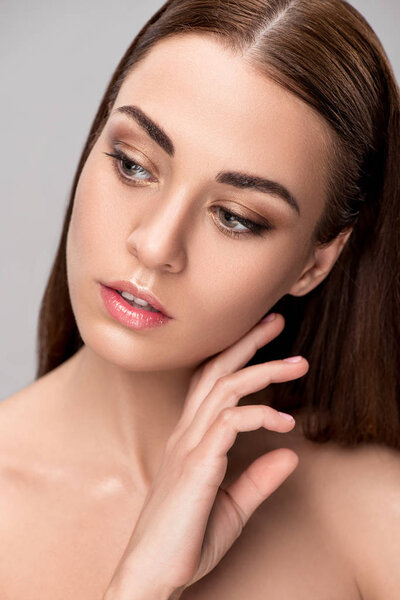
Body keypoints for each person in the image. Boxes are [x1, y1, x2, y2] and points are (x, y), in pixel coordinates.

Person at [1, 0, 399, 598]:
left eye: (236, 218)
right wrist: (141, 584)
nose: (156, 244)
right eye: (133, 165)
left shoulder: (373, 512)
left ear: (316, 262)